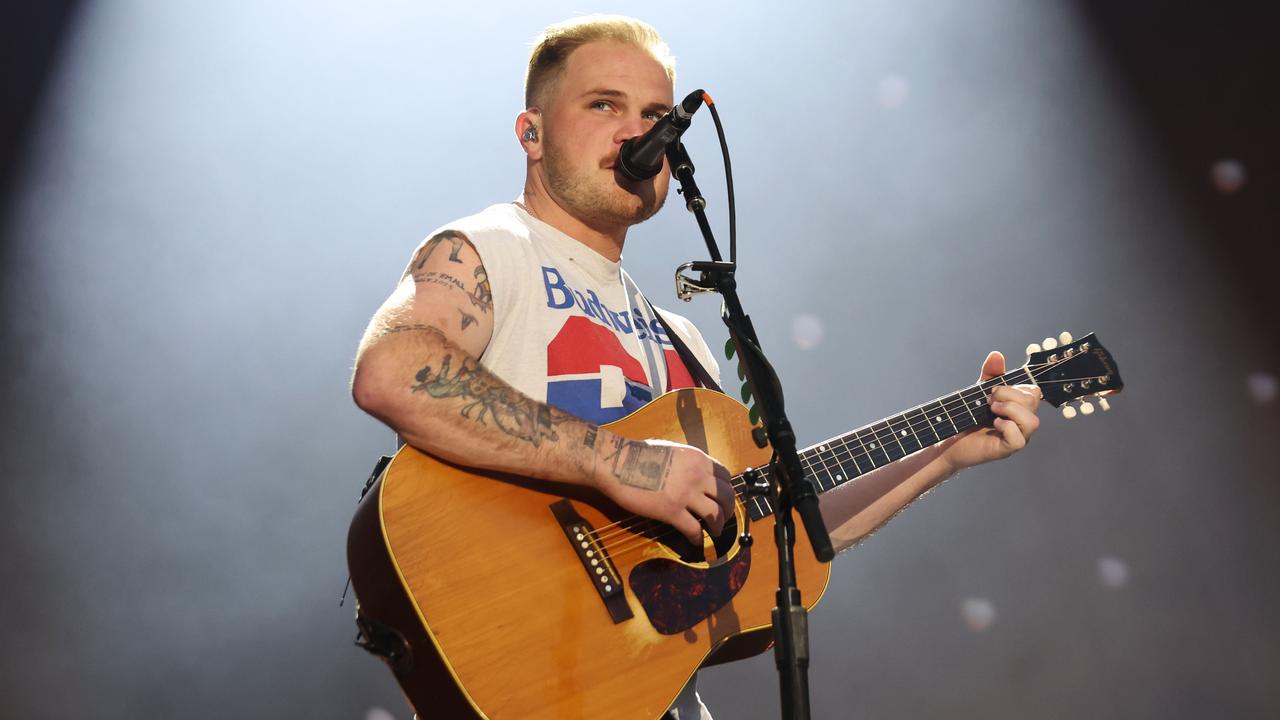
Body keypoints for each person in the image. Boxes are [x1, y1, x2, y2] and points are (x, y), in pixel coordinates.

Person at [350, 14, 1042, 719]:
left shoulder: (680, 337)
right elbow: (394, 369)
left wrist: (946, 453)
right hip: (532, 661)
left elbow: (782, 528)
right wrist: (621, 464)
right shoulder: (492, 245)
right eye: (603, 105)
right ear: (531, 133)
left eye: (654, 115)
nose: (636, 132)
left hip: (646, 693)